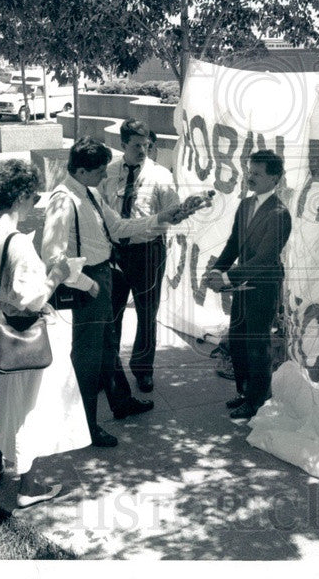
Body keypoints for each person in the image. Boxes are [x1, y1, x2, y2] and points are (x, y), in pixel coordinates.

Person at [42, 137, 204, 447]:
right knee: (88, 357)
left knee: (107, 346)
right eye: (100, 171)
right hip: (87, 283)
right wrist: (88, 284)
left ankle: (120, 401)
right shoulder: (63, 200)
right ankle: (86, 427)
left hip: (101, 278)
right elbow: (53, 256)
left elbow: (118, 228)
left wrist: (163, 217)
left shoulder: (87, 193)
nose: (106, 176)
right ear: (81, 170)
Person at [0, 159, 91, 508]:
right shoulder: (19, 244)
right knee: (29, 408)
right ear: (21, 197)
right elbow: (32, 297)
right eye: (33, 194)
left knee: (3, 399)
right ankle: (28, 485)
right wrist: (57, 273)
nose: (36, 200)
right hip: (25, 333)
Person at [205, 150, 292, 420]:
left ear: (274, 178)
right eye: (249, 172)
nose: (250, 177)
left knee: (257, 345)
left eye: (257, 173)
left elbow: (265, 258)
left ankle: (256, 402)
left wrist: (226, 278)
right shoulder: (245, 205)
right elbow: (233, 244)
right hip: (242, 284)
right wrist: (216, 270)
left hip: (262, 287)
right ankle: (244, 393)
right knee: (239, 341)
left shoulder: (279, 214)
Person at [101, 119, 180, 393]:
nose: (143, 150)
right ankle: (110, 371)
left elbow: (173, 212)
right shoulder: (108, 172)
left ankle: (143, 370)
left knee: (147, 315)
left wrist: (159, 221)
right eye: (136, 145)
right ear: (123, 145)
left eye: (147, 145)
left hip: (148, 253)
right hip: (114, 253)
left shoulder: (161, 175)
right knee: (112, 314)